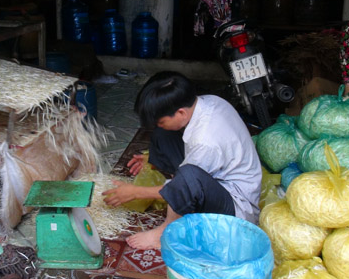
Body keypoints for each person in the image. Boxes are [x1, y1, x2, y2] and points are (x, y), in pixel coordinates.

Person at [102, 71, 263, 250]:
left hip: (236, 207)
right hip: (214, 176)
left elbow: (187, 181)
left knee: (187, 176)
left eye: (161, 120)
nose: (158, 124)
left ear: (180, 112)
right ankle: (180, 197)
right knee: (163, 133)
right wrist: (152, 158)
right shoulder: (209, 102)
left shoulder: (205, 141)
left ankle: (166, 230)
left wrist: (135, 192)